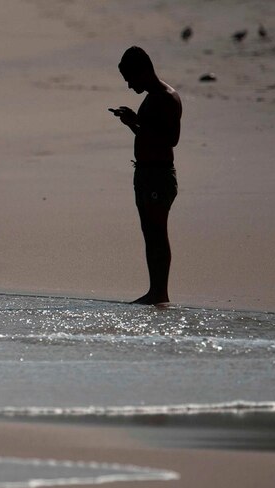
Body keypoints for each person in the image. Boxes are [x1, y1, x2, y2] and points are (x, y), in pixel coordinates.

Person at [111, 46, 182, 305]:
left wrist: (137, 123)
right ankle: (155, 292)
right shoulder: (152, 98)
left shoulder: (165, 97)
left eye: (130, 78)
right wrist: (132, 123)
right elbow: (148, 136)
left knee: (157, 234)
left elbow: (170, 139)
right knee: (150, 234)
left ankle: (159, 293)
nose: (129, 86)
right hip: (146, 174)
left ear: (144, 70)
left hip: (158, 176)